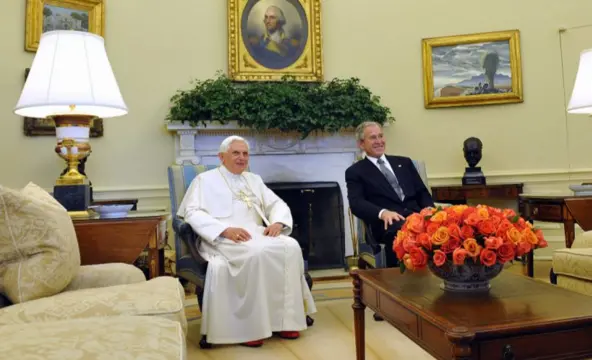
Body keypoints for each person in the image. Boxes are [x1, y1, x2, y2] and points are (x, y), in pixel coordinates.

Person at [177, 135, 316, 348]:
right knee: (255, 253)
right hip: (220, 237)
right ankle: (249, 327)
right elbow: (192, 213)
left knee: (290, 246)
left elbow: (276, 203)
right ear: (221, 157)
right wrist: (225, 230)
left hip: (255, 233)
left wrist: (277, 222)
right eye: (236, 153)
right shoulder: (204, 180)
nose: (242, 158)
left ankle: (285, 320)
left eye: (245, 153)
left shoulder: (253, 180)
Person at [345, 121, 435, 268]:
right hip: (388, 224)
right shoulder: (356, 171)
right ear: (361, 144)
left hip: (417, 217)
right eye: (373, 137)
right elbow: (356, 203)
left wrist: (430, 211)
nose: (379, 141)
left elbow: (422, 193)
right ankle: (398, 284)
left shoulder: (404, 163)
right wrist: (382, 212)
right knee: (401, 232)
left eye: (381, 136)